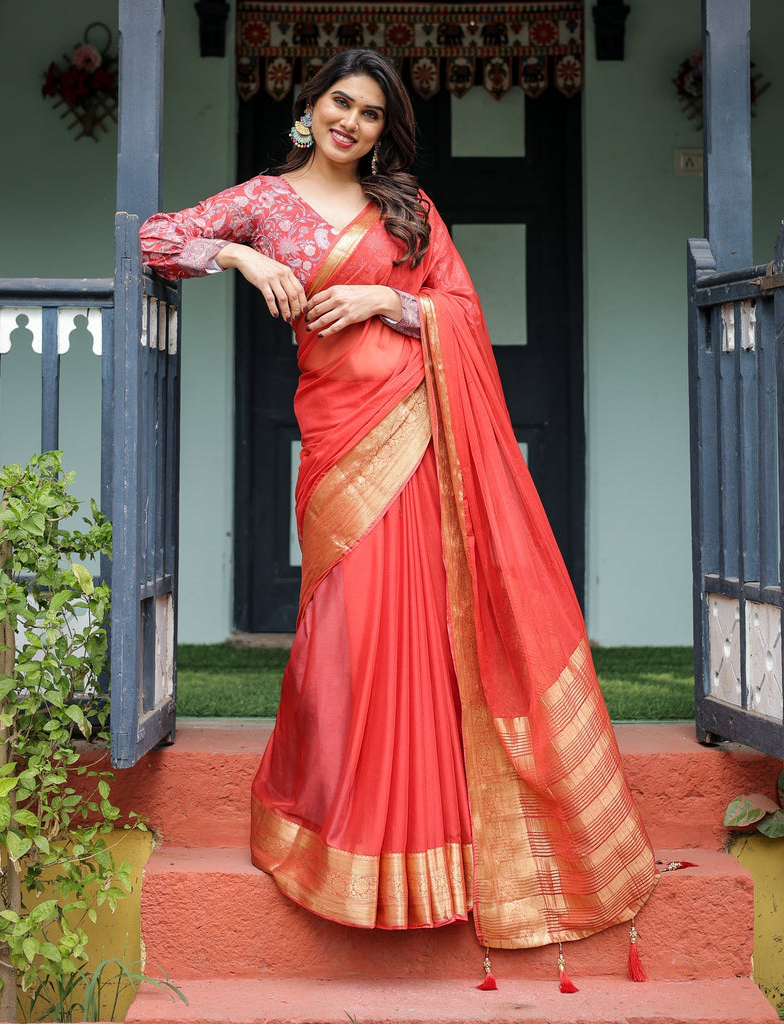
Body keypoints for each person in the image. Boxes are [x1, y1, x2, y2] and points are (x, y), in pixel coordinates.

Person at [140, 48, 657, 962]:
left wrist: (386, 295)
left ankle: (433, 852)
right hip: (336, 446)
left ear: (385, 129)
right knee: (347, 635)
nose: (352, 122)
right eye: (340, 103)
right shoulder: (262, 199)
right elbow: (155, 240)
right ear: (311, 105)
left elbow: (458, 310)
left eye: (372, 113)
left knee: (415, 630)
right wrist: (238, 258)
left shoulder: (405, 210)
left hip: (418, 436)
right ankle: (338, 831)